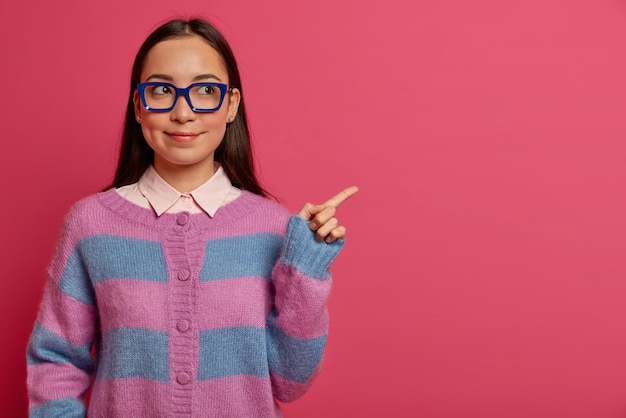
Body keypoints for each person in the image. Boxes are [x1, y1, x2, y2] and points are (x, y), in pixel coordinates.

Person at [26, 17, 357, 417]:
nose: (183, 112)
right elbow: (56, 361)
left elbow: (290, 381)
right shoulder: (91, 224)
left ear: (231, 105)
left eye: (205, 90)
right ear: (138, 105)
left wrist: (306, 268)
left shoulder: (272, 228)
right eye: (162, 90)